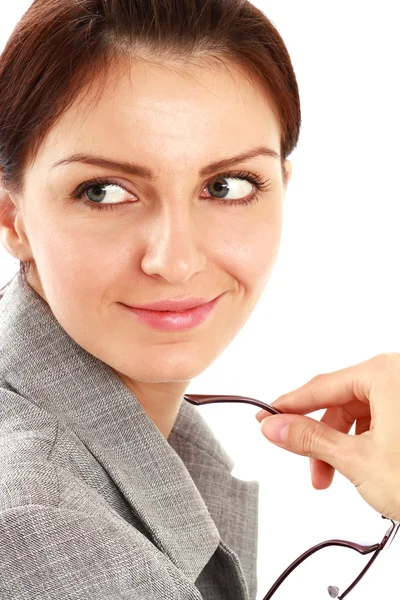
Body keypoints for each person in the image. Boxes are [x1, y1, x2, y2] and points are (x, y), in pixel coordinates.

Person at [1, 1, 398, 599]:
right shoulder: (47, 530)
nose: (176, 259)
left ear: (281, 190)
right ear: (13, 216)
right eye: (105, 191)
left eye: (227, 186)